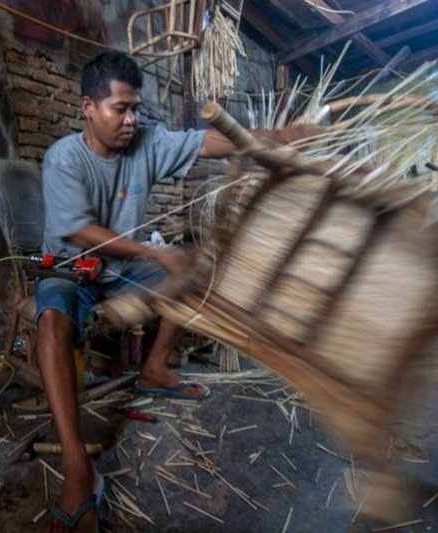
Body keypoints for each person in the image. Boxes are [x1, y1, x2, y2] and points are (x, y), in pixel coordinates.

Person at [36, 50, 311, 532]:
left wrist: (282, 139)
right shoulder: (64, 157)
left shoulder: (147, 141)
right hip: (71, 271)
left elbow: (208, 142)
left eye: (135, 108)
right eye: (119, 109)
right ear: (87, 107)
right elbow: (77, 230)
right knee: (52, 324)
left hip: (122, 270)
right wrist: (154, 253)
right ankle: (78, 467)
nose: (131, 119)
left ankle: (155, 369)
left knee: (198, 270)